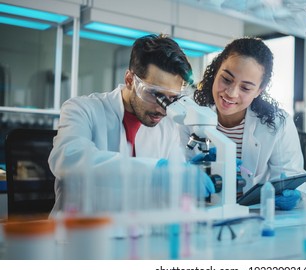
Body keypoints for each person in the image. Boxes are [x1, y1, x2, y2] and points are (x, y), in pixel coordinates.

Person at [48, 34, 213, 215]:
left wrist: (194, 174)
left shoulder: (169, 126)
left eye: (172, 98)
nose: (163, 109)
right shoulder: (82, 109)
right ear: (129, 80)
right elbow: (68, 160)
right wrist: (156, 172)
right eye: (154, 94)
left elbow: (171, 192)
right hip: (80, 235)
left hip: (136, 236)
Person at [181, 37, 306, 210]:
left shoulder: (277, 123)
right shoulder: (187, 114)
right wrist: (185, 174)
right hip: (200, 215)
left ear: (259, 90)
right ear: (216, 71)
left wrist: (296, 198)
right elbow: (171, 174)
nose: (231, 93)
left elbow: (294, 180)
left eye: (245, 88)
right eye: (226, 79)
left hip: (254, 218)